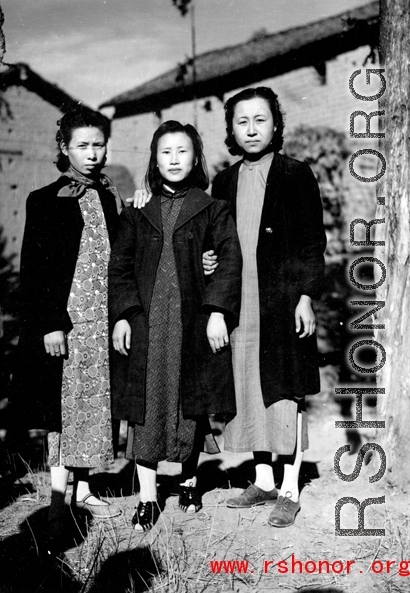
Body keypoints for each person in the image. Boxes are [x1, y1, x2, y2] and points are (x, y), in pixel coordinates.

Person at [108, 120, 242, 532]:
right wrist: (126, 315)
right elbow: (120, 269)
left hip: (192, 322)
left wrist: (218, 310)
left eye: (182, 151)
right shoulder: (137, 211)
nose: (174, 159)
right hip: (148, 324)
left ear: (195, 157)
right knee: (146, 408)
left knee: (189, 404)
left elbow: (229, 259)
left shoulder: (212, 207)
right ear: (154, 159)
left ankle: (187, 482)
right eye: (165, 152)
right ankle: (148, 498)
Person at [210, 87, 326, 527]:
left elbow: (313, 242)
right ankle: (262, 479)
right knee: (248, 390)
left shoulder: (296, 174)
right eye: (243, 122)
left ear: (275, 125)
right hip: (241, 305)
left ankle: (290, 488)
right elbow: (214, 243)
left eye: (261, 120)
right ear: (231, 131)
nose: (252, 129)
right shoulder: (222, 182)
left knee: (282, 391)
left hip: (281, 303)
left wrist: (305, 296)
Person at [11, 106, 121, 552]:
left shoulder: (109, 196)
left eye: (98, 145)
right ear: (64, 148)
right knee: (63, 408)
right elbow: (33, 271)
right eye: (83, 146)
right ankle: (59, 500)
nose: (92, 154)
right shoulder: (44, 200)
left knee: (93, 407)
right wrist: (51, 324)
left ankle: (86, 489)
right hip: (68, 322)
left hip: (102, 321)